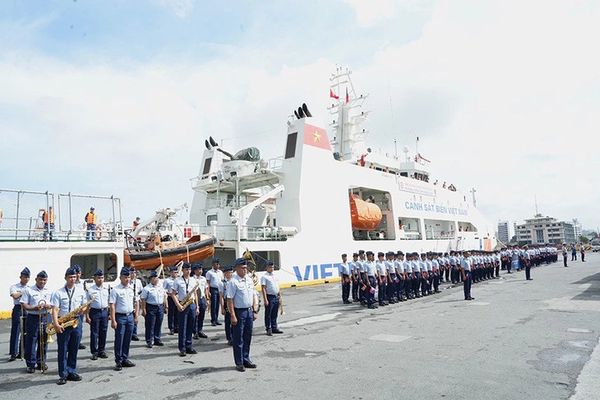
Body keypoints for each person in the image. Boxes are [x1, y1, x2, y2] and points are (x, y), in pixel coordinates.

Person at [50, 267, 87, 385]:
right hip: (63, 322)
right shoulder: (58, 292)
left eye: (74, 277)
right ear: (65, 278)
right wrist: (56, 324)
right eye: (70, 277)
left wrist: (83, 310)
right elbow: (55, 310)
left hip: (76, 322)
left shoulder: (81, 291)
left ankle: (71, 371)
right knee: (63, 349)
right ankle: (63, 374)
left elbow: (84, 306)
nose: (72, 279)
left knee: (74, 348)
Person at [226, 258, 258, 372]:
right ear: (237, 268)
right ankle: (239, 362)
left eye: (246, 268)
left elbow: (253, 294)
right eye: (243, 268)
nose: (245, 270)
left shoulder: (248, 280)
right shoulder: (233, 281)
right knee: (238, 338)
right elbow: (229, 299)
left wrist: (254, 310)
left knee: (247, 337)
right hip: (239, 312)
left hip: (249, 311)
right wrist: (232, 315)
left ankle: (246, 358)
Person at [20, 270, 52, 373]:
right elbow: (24, 305)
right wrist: (34, 308)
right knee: (31, 341)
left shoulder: (49, 291)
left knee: (43, 341)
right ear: (36, 279)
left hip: (46, 317)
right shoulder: (29, 290)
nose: (42, 282)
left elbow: (53, 304)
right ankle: (31, 364)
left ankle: (41, 362)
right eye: (40, 279)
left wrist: (48, 306)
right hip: (33, 318)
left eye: (44, 280)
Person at [109, 267, 137, 371]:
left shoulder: (131, 288)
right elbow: (112, 305)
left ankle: (125, 358)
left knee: (127, 339)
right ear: (120, 277)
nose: (127, 279)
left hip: (130, 316)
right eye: (125, 277)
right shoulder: (115, 290)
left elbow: (135, 302)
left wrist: (136, 316)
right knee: (119, 339)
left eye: (129, 277)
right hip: (120, 317)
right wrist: (113, 320)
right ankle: (118, 361)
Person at [170, 262, 199, 357]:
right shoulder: (178, 280)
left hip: (191, 304)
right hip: (182, 304)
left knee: (191, 326)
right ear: (182, 270)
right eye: (187, 269)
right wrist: (178, 305)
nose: (188, 271)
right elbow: (173, 294)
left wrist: (197, 306)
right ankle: (182, 348)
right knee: (182, 327)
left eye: (190, 269)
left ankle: (189, 346)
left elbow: (195, 294)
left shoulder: (193, 280)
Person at [86, 269, 109, 360]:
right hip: (95, 312)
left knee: (103, 331)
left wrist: (109, 313)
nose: (100, 279)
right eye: (98, 278)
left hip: (104, 312)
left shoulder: (107, 289)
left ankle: (101, 350)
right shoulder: (90, 290)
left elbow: (109, 302)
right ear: (94, 278)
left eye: (102, 277)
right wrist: (87, 316)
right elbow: (87, 304)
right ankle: (94, 352)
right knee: (94, 333)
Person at [140, 271, 167, 348]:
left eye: (157, 278)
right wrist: (144, 309)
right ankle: (149, 341)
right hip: (151, 307)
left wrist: (165, 306)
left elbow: (164, 296)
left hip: (160, 306)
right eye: (155, 278)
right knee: (150, 324)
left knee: (158, 323)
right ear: (151, 279)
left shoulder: (160, 287)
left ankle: (157, 339)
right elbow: (143, 299)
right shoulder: (147, 289)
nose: (157, 279)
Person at [9, 267, 30, 361]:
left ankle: (23, 351)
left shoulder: (29, 288)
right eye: (24, 277)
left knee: (26, 331)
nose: (26, 279)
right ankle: (13, 352)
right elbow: (14, 295)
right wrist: (22, 292)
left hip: (26, 309)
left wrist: (21, 293)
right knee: (16, 330)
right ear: (20, 277)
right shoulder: (14, 286)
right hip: (18, 308)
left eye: (27, 277)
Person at [261, 261, 283, 336]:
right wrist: (265, 299)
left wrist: (280, 296)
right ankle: (268, 328)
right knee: (268, 314)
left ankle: (274, 327)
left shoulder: (275, 276)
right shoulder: (264, 277)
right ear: (266, 267)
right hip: (269, 297)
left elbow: (278, 286)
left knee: (274, 313)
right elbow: (263, 288)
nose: (272, 268)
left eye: (273, 267)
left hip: (276, 296)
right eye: (270, 267)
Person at [192, 263, 209, 339]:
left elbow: (206, 289)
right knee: (195, 316)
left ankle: (200, 330)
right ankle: (194, 331)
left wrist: (207, 298)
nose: (200, 271)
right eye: (198, 269)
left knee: (202, 315)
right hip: (195, 299)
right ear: (195, 270)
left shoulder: (203, 278)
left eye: (201, 269)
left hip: (202, 298)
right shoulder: (192, 279)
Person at [206, 258, 224, 326]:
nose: (218, 265)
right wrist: (208, 292)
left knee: (218, 305)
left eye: (218, 264)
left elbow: (222, 281)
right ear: (213, 264)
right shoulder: (209, 272)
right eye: (216, 263)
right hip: (213, 289)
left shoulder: (220, 272)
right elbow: (208, 283)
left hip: (219, 289)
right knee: (213, 305)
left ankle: (216, 319)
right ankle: (213, 320)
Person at [220, 265, 234, 345]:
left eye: (232, 272)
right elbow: (221, 296)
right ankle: (229, 338)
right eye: (229, 273)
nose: (231, 274)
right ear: (225, 273)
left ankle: (234, 336)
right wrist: (222, 308)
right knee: (228, 321)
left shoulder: (234, 281)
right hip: (226, 302)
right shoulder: (222, 283)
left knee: (234, 321)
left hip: (234, 302)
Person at [164, 266, 179, 335]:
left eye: (176, 272)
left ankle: (177, 327)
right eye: (174, 272)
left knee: (177, 312)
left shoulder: (179, 279)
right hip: (170, 297)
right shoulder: (167, 280)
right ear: (170, 273)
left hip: (178, 297)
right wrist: (168, 293)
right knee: (171, 313)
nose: (175, 274)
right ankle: (171, 328)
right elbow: (164, 289)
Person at [130, 268, 143, 341]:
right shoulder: (128, 282)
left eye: (134, 273)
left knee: (136, 317)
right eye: (132, 273)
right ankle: (130, 333)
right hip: (129, 301)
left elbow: (141, 291)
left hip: (136, 300)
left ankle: (134, 334)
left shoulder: (138, 281)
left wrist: (141, 300)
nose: (133, 274)